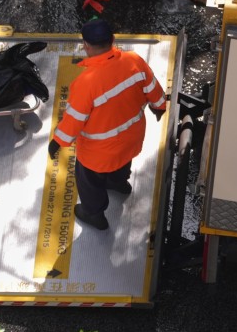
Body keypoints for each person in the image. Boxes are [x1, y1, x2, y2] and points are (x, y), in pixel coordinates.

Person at [48, 19, 167, 231]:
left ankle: (94, 214)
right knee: (122, 161)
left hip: (98, 151)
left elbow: (74, 120)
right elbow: (153, 87)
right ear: (112, 40)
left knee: (89, 182)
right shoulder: (134, 60)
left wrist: (58, 141)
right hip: (132, 137)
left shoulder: (86, 84)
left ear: (86, 45)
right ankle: (118, 183)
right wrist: (159, 107)